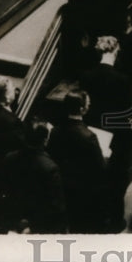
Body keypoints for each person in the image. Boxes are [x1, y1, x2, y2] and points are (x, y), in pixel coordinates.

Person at [47, 92, 109, 233]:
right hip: (84, 189)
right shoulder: (89, 137)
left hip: (62, 186)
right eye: (88, 104)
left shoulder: (55, 131)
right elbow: (100, 167)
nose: (89, 106)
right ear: (82, 110)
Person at [0, 119, 67, 234]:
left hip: (13, 222)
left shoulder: (9, 158)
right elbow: (56, 208)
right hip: (36, 227)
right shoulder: (50, 168)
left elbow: (2, 191)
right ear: (45, 141)